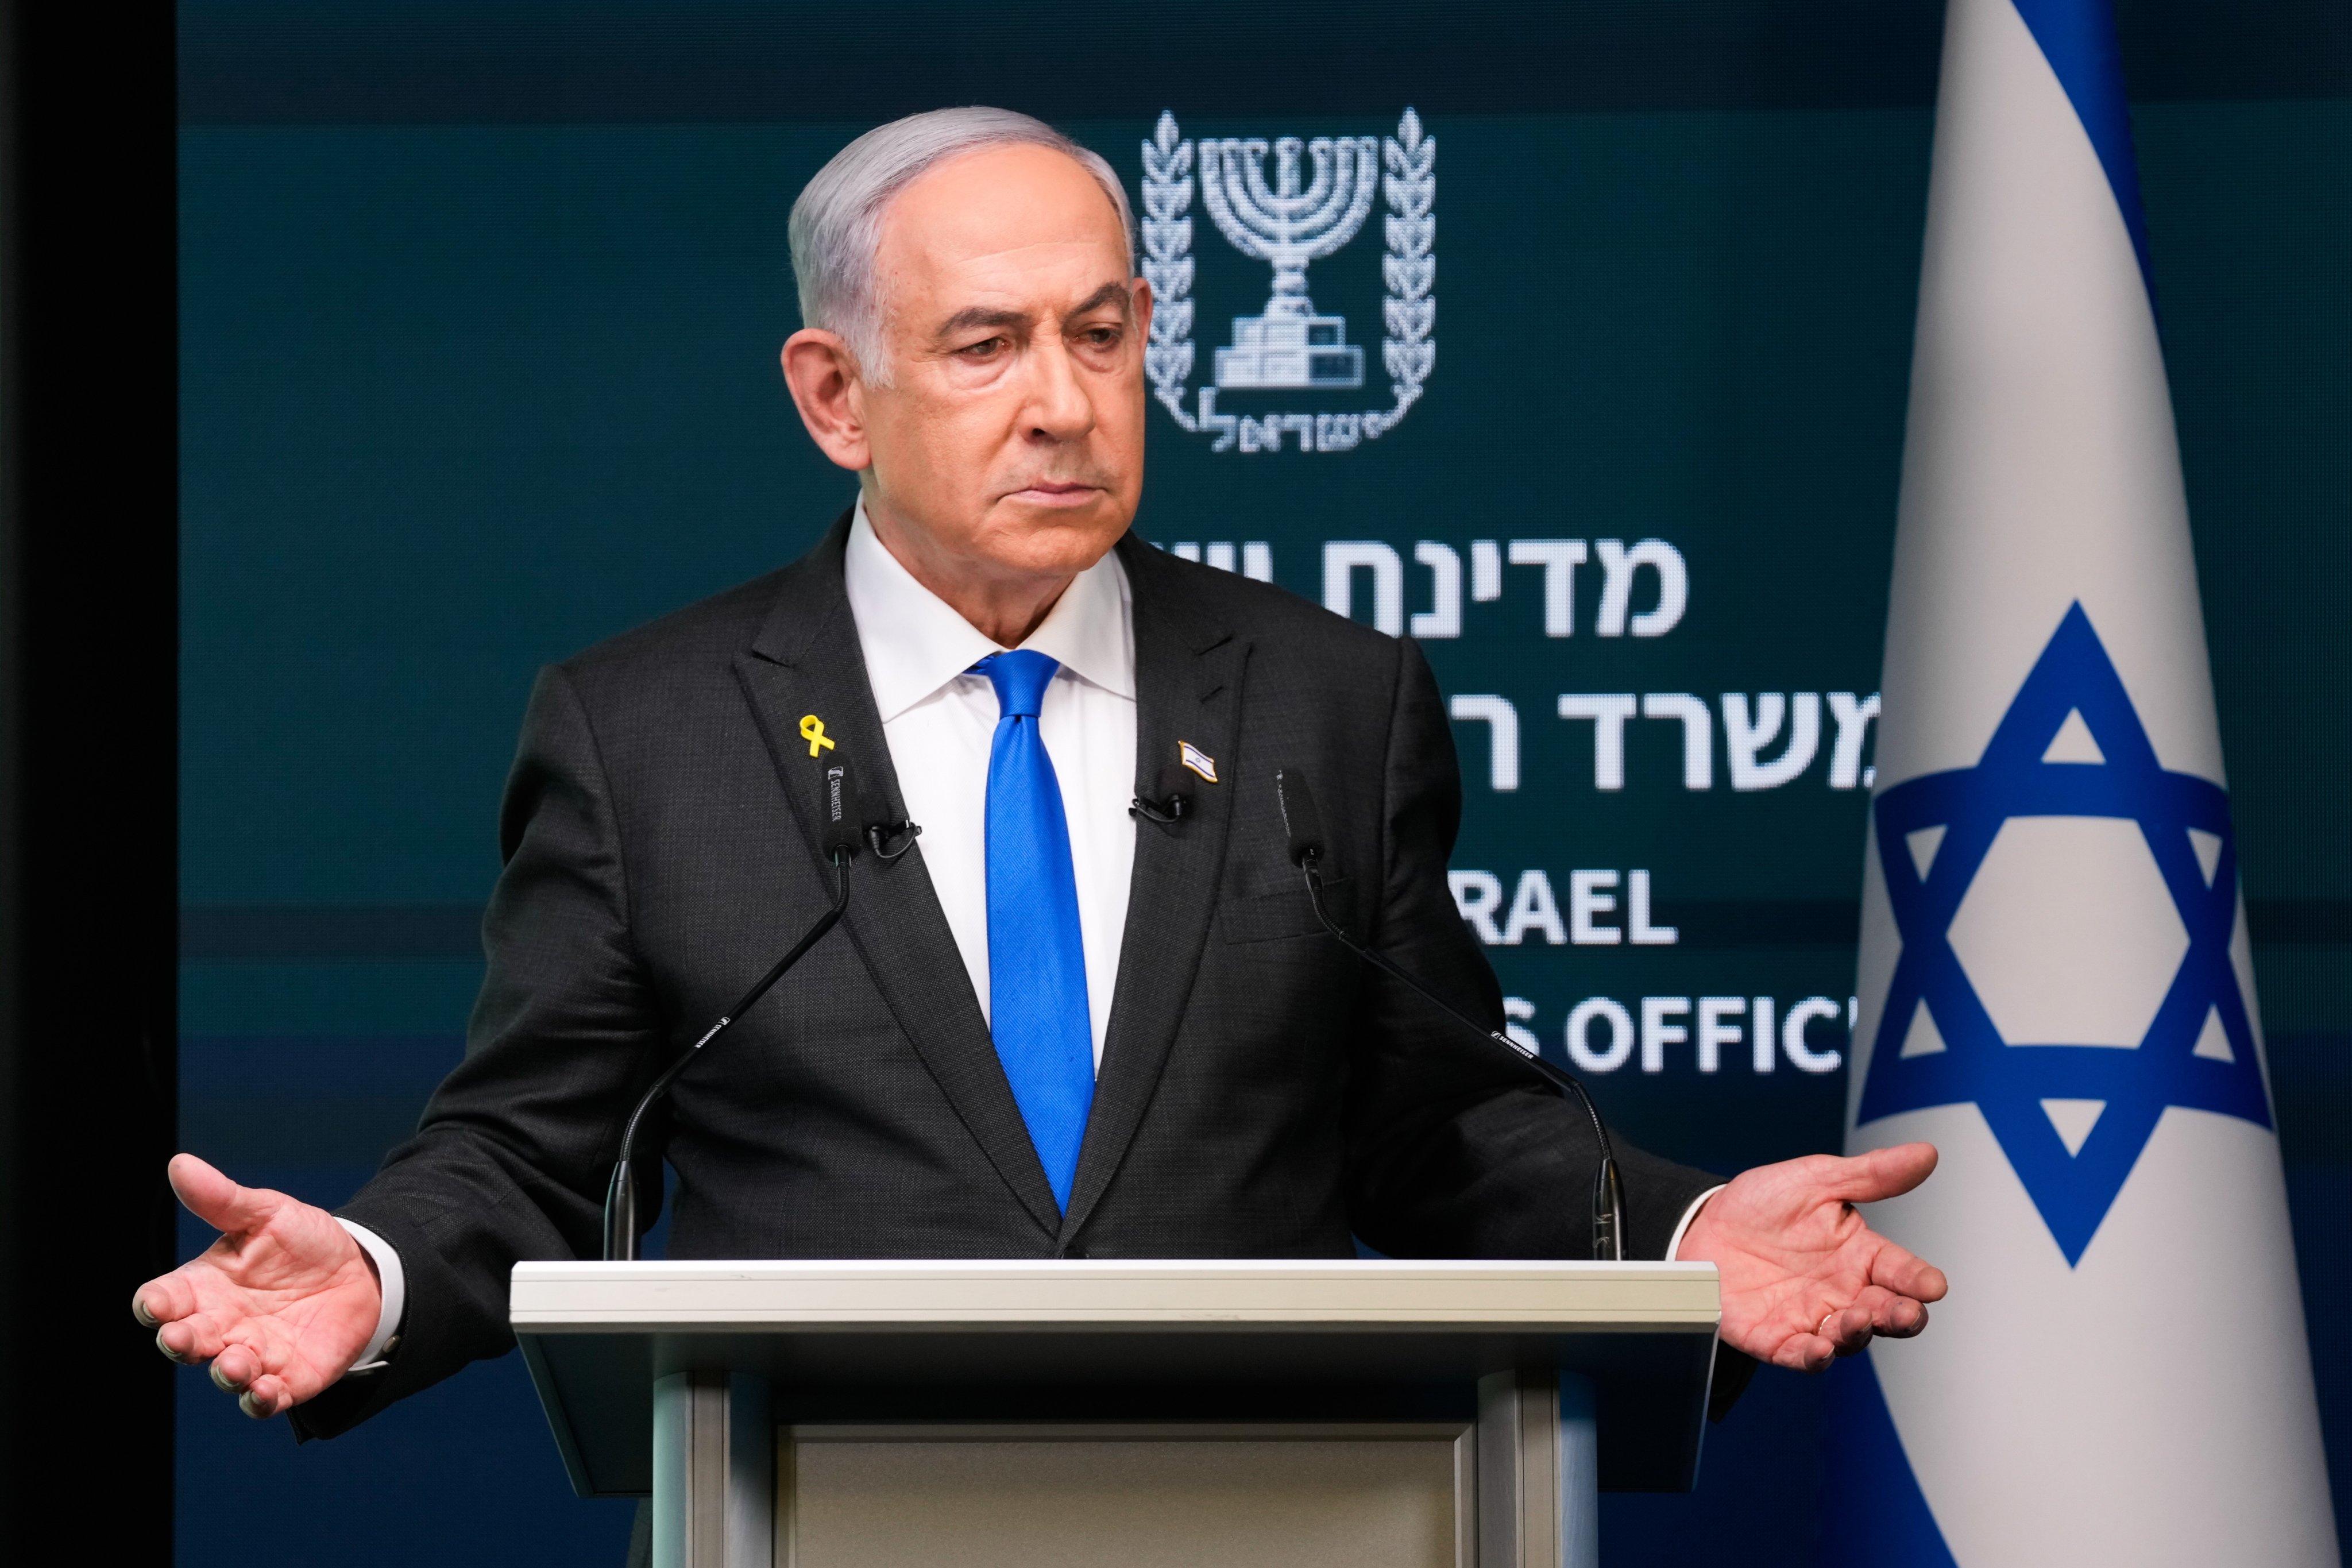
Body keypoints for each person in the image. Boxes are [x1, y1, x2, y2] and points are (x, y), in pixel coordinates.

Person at [135, 108, 1945, 1438]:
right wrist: (373, 1272)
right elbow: (533, 1152)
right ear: (835, 396)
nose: (1066, 401)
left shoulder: (1330, 697)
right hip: (819, 1503)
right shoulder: (650, 732)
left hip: (1275, 1510)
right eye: (988, 346)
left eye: (1101, 331)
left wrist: (1689, 1231)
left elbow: (1446, 1125)